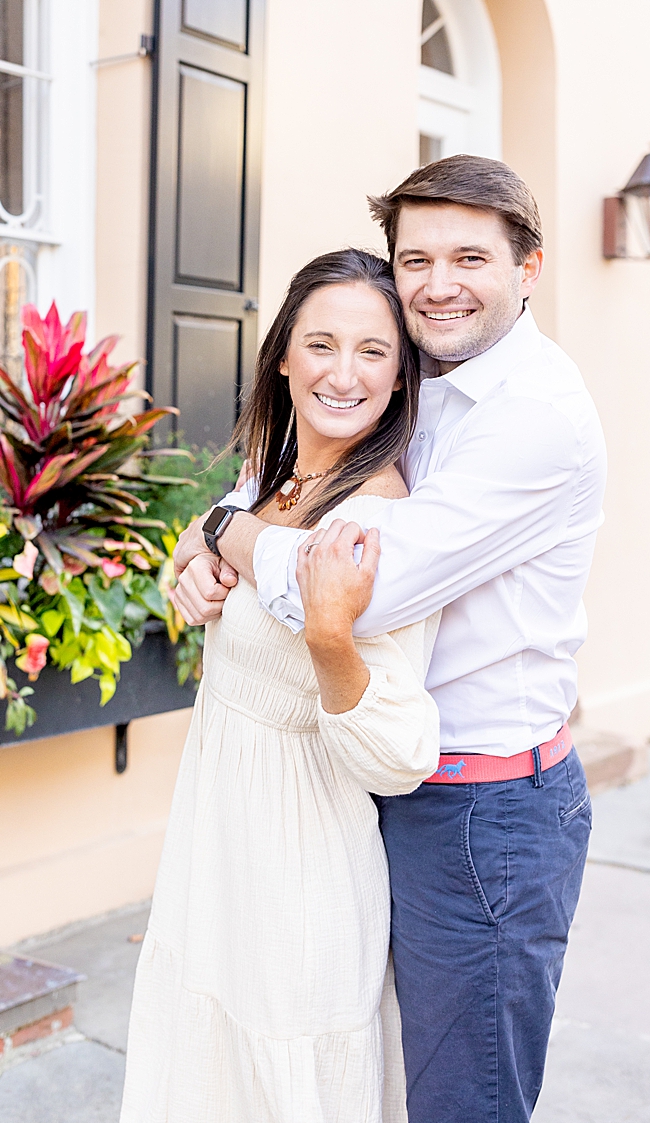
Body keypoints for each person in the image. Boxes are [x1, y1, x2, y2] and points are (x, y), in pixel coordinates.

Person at [170, 156, 605, 1123]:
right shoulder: (419, 385)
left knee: (462, 1104)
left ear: (529, 267)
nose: (437, 284)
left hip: (483, 814)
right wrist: (208, 537)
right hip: (374, 797)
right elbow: (282, 486)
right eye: (417, 258)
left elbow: (359, 591)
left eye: (469, 257)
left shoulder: (536, 417)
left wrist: (225, 535)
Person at [121, 249, 441, 1119]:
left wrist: (333, 636)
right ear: (283, 357)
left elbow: (403, 753)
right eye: (323, 343)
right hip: (217, 834)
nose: (344, 373)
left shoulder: (376, 519)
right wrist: (185, 568)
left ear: (403, 373)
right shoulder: (273, 473)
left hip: (299, 859)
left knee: (284, 1076)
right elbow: (216, 545)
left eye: (374, 351)